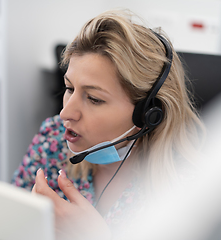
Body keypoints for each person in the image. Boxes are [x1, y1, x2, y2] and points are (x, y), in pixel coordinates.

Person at [11, 9, 204, 240]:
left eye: (94, 99)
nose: (65, 113)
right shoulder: (52, 138)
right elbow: (6, 224)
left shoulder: (189, 191)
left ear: (149, 114)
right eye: (69, 88)